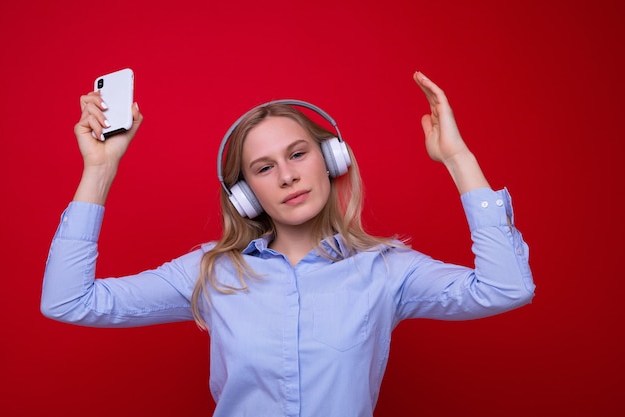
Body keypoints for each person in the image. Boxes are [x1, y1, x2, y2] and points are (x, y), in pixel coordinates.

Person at [41, 71, 535, 417]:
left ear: (332, 160)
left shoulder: (387, 270)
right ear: (245, 194)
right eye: (263, 168)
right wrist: (100, 169)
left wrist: (457, 157)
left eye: (298, 154)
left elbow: (506, 288)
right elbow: (69, 302)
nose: (287, 176)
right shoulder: (212, 274)